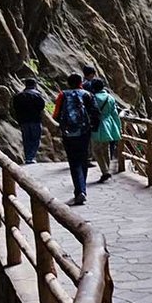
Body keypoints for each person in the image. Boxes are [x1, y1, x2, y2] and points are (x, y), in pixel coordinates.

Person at [53, 73, 100, 205]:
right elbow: (95, 113)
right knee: (83, 159)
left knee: (74, 162)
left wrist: (64, 125)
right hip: (84, 132)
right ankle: (82, 190)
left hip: (68, 133)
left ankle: (79, 190)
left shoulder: (63, 95)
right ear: (81, 82)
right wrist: (93, 128)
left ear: (68, 83)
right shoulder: (87, 94)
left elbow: (56, 114)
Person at [90, 78, 121, 183]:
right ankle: (107, 169)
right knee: (105, 148)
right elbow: (115, 114)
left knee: (96, 150)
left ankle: (105, 171)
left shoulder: (92, 98)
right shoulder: (110, 98)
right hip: (108, 125)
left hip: (96, 125)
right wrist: (118, 128)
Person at [12, 78, 46, 164]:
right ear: (35, 85)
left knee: (26, 138)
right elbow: (41, 107)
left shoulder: (18, 96)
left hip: (23, 121)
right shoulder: (37, 95)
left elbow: (15, 107)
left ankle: (28, 157)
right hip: (35, 120)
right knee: (35, 139)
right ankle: (31, 157)